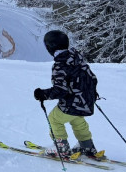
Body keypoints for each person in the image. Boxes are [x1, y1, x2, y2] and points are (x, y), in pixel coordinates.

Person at [33, 30, 100, 159]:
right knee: (77, 120)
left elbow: (61, 90)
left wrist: (43, 94)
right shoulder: (78, 60)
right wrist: (90, 95)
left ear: (50, 47)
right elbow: (92, 78)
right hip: (85, 102)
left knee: (54, 119)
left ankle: (61, 147)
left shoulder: (60, 65)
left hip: (71, 103)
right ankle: (87, 146)